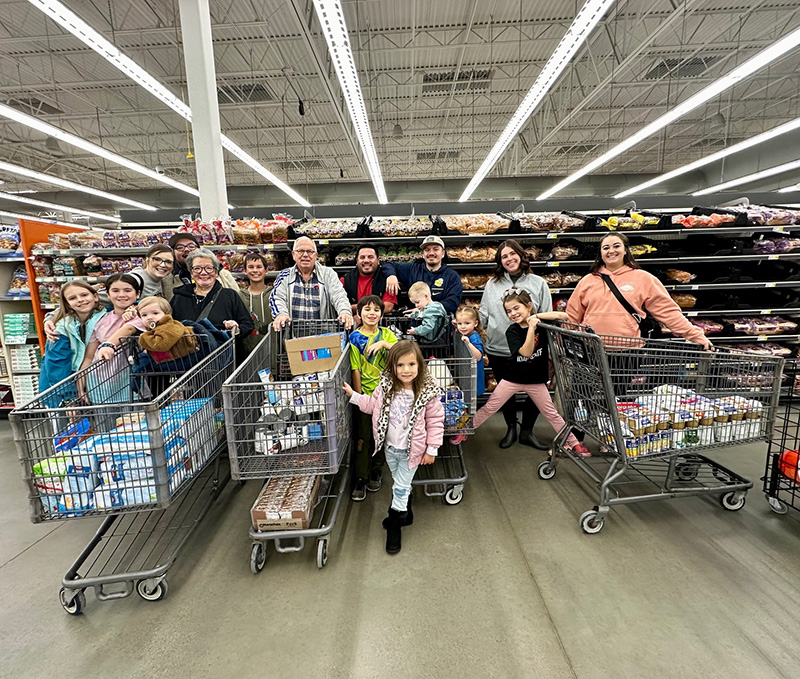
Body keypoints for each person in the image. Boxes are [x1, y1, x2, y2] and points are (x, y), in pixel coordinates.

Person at [459, 289, 591, 456]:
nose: (513, 313)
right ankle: (464, 431)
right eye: (508, 311)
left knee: (551, 413)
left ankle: (574, 443)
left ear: (529, 306)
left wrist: (537, 318)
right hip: (513, 377)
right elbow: (526, 352)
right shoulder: (512, 331)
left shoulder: (542, 324)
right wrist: (531, 329)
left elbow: (564, 317)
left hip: (536, 380)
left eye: (516, 308)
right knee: (490, 407)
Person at [343, 340, 444, 555]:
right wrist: (354, 396)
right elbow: (372, 406)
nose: (406, 370)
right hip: (390, 448)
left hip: (412, 451)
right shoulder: (386, 388)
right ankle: (406, 514)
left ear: (420, 366)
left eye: (411, 365)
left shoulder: (427, 393)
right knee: (401, 483)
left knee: (399, 487)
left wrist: (432, 449)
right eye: (400, 365)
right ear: (392, 367)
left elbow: (435, 421)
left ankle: (395, 524)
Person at [567, 233, 712, 349]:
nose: (611, 251)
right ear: (600, 253)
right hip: (591, 348)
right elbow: (572, 315)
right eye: (606, 248)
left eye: (616, 246)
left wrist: (696, 336)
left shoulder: (643, 278)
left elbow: (668, 312)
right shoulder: (588, 280)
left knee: (618, 387)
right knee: (584, 387)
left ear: (625, 250)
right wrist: (561, 342)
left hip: (627, 350)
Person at [479, 240, 552, 449]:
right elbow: (484, 313)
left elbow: (546, 315)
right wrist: (469, 322)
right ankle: (511, 428)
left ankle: (527, 431)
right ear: (500, 262)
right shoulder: (492, 284)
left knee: (536, 390)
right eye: (504, 256)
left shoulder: (538, 283)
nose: (509, 259)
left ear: (521, 255)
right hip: (499, 348)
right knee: (506, 392)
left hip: (533, 350)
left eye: (512, 254)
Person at [348, 295, 399, 501]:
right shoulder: (355, 338)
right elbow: (356, 369)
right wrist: (360, 398)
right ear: (359, 313)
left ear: (381, 313)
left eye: (376, 310)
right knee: (363, 438)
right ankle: (361, 476)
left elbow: (402, 355)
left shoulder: (387, 334)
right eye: (367, 309)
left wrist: (384, 345)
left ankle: (377, 470)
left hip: (387, 395)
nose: (371, 313)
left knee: (382, 435)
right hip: (366, 396)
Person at [77, 274, 145, 403]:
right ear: (108, 295)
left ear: (137, 294)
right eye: (115, 291)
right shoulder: (99, 320)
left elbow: (129, 329)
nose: (121, 294)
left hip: (130, 385)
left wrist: (108, 345)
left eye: (127, 290)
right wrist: (80, 388)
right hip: (99, 385)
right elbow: (89, 357)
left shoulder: (141, 315)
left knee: (133, 422)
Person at [270, 236, 353, 331]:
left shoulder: (328, 274)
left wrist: (344, 311)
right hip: (293, 338)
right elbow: (277, 298)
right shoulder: (284, 276)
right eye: (300, 251)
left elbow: (339, 295)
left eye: (310, 251)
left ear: (316, 255)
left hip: (324, 336)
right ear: (293, 255)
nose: (305, 255)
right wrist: (281, 314)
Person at [170, 248, 254, 338]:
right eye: (197, 268)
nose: (203, 272)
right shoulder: (179, 297)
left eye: (209, 268)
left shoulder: (229, 296)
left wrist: (236, 330)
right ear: (191, 273)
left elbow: (247, 325)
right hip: (188, 351)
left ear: (216, 273)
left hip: (222, 351)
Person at [39, 281, 107, 387]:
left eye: (84, 295)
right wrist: (67, 395)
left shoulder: (104, 318)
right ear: (67, 304)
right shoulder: (60, 328)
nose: (80, 300)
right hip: (60, 386)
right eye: (72, 298)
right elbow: (56, 364)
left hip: (90, 382)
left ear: (95, 297)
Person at [383, 235, 462, 315]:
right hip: (415, 324)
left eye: (436, 249)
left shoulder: (452, 276)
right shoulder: (413, 270)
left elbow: (452, 303)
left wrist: (425, 310)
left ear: (443, 253)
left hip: (441, 324)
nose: (431, 253)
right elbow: (388, 265)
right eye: (427, 250)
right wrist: (391, 276)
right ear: (423, 254)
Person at [162, 232, 239, 300]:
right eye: (180, 247)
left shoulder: (223, 274)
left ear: (198, 249)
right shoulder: (167, 279)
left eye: (191, 246)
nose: (186, 249)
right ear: (173, 253)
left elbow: (237, 301)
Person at [340, 244, 397, 317]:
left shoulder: (387, 280)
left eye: (370, 257)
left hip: (381, 325)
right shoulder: (345, 280)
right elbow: (339, 305)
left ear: (378, 260)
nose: (366, 260)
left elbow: (388, 306)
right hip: (352, 325)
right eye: (362, 257)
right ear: (357, 261)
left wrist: (359, 312)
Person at [238, 253, 273, 354]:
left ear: (266, 271)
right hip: (247, 351)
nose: (255, 270)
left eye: (259, 267)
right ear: (245, 271)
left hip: (272, 348)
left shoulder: (274, 295)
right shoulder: (240, 296)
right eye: (250, 267)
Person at [453, 305, 485, 398]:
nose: (463, 327)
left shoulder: (474, 338)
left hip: (474, 376)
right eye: (459, 323)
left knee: (473, 401)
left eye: (467, 323)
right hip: (468, 374)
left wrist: (469, 344)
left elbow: (478, 356)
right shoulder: (467, 333)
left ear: (475, 323)